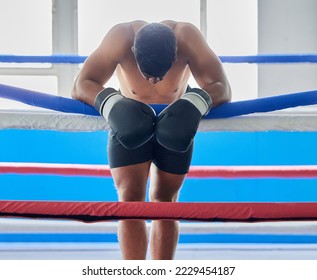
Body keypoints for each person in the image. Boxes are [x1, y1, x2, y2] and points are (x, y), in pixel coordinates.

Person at [72, 20, 231, 260]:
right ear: (134, 52)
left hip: (177, 118)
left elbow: (221, 86)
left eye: (161, 75)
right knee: (130, 199)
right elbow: (81, 84)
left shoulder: (187, 36)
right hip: (129, 120)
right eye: (148, 75)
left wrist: (195, 103)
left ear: (176, 52)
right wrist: (112, 104)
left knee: (165, 202)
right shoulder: (121, 37)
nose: (155, 82)